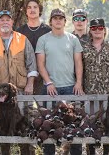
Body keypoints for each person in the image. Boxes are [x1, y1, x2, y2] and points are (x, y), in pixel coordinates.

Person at [0, 10, 38, 154]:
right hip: (0, 97)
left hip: (21, 93)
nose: (5, 22)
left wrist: (30, 83)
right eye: (2, 19)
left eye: (8, 19)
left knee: (24, 126)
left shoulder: (22, 40)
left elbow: (32, 64)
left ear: (12, 22)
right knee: (3, 129)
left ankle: (27, 152)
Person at [36, 8, 84, 155]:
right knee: (48, 126)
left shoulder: (73, 39)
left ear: (64, 21)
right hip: (50, 89)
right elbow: (40, 64)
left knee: (74, 126)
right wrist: (49, 82)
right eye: (55, 18)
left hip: (70, 88)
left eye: (61, 18)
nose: (58, 20)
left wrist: (78, 82)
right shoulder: (43, 39)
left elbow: (78, 62)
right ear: (51, 21)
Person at [82, 18, 109, 155]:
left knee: (107, 123)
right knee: (91, 123)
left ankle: (106, 151)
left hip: (107, 94)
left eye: (100, 28)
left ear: (105, 30)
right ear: (90, 31)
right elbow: (79, 69)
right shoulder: (84, 48)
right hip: (90, 93)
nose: (97, 31)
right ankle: (91, 152)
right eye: (94, 28)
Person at [16, 0, 51, 95]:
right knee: (25, 108)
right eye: (29, 7)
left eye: (35, 7)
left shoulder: (48, 31)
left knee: (45, 108)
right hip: (25, 75)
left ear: (39, 10)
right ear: (25, 11)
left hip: (45, 75)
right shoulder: (19, 32)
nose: (32, 10)